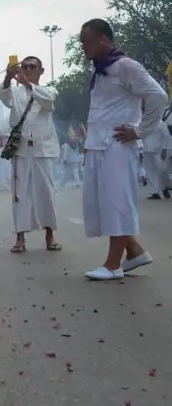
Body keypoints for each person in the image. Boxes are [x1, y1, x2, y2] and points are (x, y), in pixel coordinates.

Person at [78, 18, 167, 281]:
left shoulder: (126, 65)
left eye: (87, 41)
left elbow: (158, 96)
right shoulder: (101, 69)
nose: (83, 46)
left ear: (105, 39)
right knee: (103, 204)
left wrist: (139, 131)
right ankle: (135, 251)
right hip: (97, 145)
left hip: (117, 146)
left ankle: (113, 265)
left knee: (117, 202)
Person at [0, 56, 61, 253]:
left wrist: (28, 84)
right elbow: (4, 97)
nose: (27, 69)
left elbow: (48, 101)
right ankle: (20, 237)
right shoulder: (15, 92)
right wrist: (8, 77)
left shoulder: (49, 90)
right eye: (24, 67)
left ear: (41, 71)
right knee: (20, 193)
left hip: (43, 148)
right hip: (21, 148)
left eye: (32, 67)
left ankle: (50, 235)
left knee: (46, 192)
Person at [141, 121, 170, 200]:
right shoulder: (143, 123)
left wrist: (165, 148)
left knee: (162, 170)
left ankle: (164, 187)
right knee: (150, 171)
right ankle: (154, 192)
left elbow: (167, 137)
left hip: (159, 151)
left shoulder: (161, 124)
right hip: (147, 150)